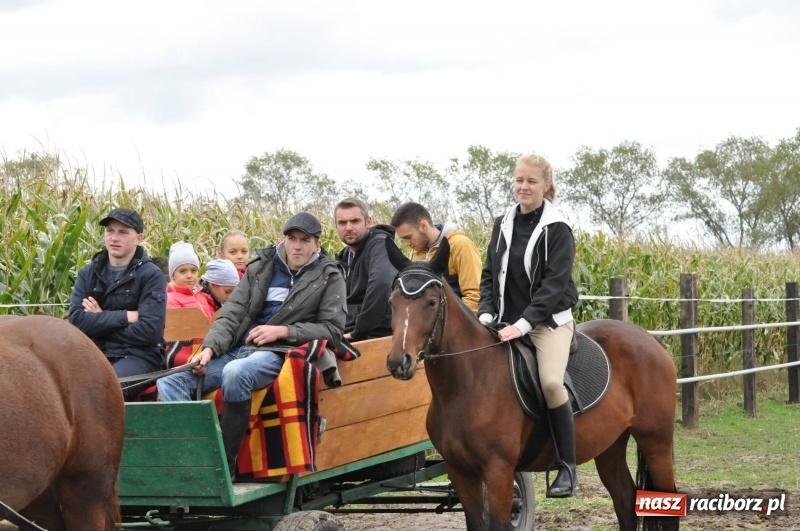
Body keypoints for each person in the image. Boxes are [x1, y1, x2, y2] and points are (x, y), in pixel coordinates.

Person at [157, 212, 346, 479]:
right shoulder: (261, 269)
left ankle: (226, 465)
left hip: (277, 351)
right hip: (239, 348)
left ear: (317, 244)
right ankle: (194, 458)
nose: (297, 246)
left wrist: (283, 331)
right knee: (171, 381)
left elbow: (332, 329)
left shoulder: (328, 275)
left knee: (236, 373)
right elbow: (232, 313)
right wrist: (209, 350)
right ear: (283, 239)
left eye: (305, 240)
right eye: (292, 238)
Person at [477, 153, 579, 498]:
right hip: (503, 321)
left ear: (546, 185)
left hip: (547, 323)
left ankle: (566, 467)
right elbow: (490, 273)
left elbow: (554, 287)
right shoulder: (502, 222)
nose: (523, 186)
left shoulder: (558, 228)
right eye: (519, 179)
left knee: (551, 383)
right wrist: (486, 314)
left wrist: (523, 325)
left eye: (531, 181)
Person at [68, 208, 167, 401]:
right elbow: (77, 321)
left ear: (138, 238)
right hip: (93, 351)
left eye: (123, 232)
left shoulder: (151, 275)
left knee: (103, 391)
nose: (114, 237)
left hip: (139, 356)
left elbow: (149, 332)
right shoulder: (87, 273)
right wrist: (126, 316)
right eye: (110, 231)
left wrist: (99, 319)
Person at [390, 202, 482, 313]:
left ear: (423, 226)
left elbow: (475, 295)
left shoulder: (460, 244)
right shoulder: (414, 254)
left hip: (456, 324)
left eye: (408, 237)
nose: (406, 243)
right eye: (403, 239)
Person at [333, 197, 396, 340]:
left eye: (355, 221)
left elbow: (381, 284)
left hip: (374, 334)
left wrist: (359, 331)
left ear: (368, 222)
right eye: (342, 223)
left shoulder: (380, 245)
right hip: (344, 330)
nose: (348, 227)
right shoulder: (343, 258)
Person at [166, 241, 216, 319]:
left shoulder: (203, 296)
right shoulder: (171, 300)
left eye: (193, 270)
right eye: (183, 271)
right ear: (173, 276)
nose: (189, 276)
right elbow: (177, 327)